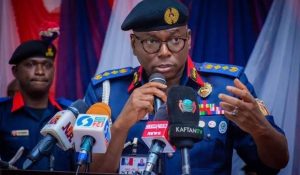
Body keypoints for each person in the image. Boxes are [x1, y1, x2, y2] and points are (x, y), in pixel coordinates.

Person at [84, 0, 289, 174]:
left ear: (189, 39)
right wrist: (121, 126)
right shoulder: (105, 94)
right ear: (134, 44)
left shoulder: (227, 87)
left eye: (175, 40)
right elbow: (86, 170)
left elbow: (277, 163)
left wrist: (260, 128)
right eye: (151, 42)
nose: (164, 51)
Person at [0, 31, 74, 171]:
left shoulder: (69, 114)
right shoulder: (2, 113)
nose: (40, 71)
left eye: (47, 65)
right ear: (15, 71)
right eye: (30, 64)